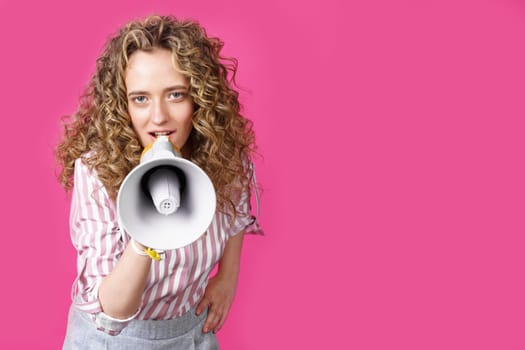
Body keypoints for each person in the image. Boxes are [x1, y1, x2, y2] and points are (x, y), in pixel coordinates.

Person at [56, 14, 262, 349]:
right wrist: (144, 237)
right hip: (111, 339)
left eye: (176, 95)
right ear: (123, 106)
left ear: (200, 97)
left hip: (191, 334)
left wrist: (228, 276)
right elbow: (113, 310)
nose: (158, 117)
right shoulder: (95, 169)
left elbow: (236, 211)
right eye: (141, 98)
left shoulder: (224, 157)